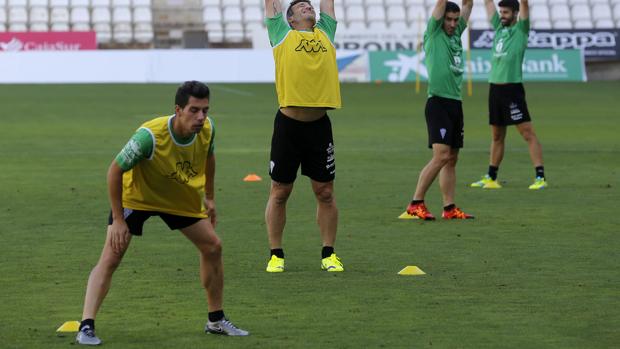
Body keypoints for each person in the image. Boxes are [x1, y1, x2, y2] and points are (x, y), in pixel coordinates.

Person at [75, 81, 249, 346]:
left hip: (179, 198)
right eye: (194, 110)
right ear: (178, 110)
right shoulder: (149, 136)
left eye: (205, 110)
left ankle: (215, 321)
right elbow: (114, 170)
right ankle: (86, 326)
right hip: (137, 198)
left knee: (213, 246)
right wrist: (119, 220)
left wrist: (210, 197)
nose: (201, 117)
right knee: (111, 257)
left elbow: (209, 158)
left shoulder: (208, 129)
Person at [263, 0, 344, 272]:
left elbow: (328, 5)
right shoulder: (281, 34)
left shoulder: (325, 34)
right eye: (300, 6)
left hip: (319, 127)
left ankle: (328, 254)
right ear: (290, 18)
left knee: (325, 192)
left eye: (309, 5)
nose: (307, 6)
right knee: (280, 191)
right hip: (288, 127)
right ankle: (276, 255)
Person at [403, 0, 474, 220]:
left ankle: (449, 207)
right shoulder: (434, 32)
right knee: (441, 156)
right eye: (449, 19)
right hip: (438, 103)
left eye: (455, 19)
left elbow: (468, 5)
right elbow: (441, 3)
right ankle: (416, 203)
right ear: (441, 19)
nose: (453, 23)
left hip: (455, 103)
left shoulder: (456, 34)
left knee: (452, 158)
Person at [470, 0, 547, 190]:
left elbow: (525, 5)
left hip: (512, 90)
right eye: (501, 11)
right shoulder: (498, 28)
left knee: (527, 133)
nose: (502, 15)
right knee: (497, 136)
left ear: (515, 13)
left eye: (506, 12)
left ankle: (540, 177)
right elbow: (488, 3)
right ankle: (491, 177)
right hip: (495, 90)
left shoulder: (521, 30)